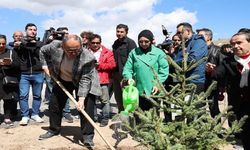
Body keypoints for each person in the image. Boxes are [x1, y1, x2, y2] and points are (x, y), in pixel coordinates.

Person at [39, 34, 101, 147]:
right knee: (55, 104)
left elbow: (85, 80)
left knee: (86, 108)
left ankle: (87, 136)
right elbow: (42, 51)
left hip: (82, 80)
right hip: (62, 79)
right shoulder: (54, 46)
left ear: (81, 46)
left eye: (76, 50)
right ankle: (54, 129)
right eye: (70, 50)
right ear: (63, 46)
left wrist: (81, 99)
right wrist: (44, 66)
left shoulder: (87, 57)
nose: (73, 53)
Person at [211, 31, 250, 149]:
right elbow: (217, 74)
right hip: (240, 103)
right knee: (246, 133)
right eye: (233, 44)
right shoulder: (228, 61)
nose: (235, 46)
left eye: (239, 43)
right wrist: (210, 70)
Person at [122, 29, 169, 111]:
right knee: (139, 115)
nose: (143, 44)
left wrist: (158, 84)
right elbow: (127, 68)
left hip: (153, 90)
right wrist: (129, 78)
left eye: (146, 41)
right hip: (138, 90)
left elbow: (164, 70)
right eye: (141, 41)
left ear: (151, 41)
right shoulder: (134, 53)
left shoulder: (159, 53)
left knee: (153, 117)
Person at [14, 23, 44, 125]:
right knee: (23, 96)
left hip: (38, 73)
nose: (33, 31)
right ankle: (25, 116)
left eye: (34, 30)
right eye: (30, 29)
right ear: (26, 31)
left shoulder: (40, 43)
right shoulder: (21, 43)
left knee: (37, 95)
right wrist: (18, 44)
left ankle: (35, 114)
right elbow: (11, 45)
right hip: (24, 74)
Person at [43, 27, 74, 123]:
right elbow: (42, 51)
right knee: (54, 94)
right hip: (52, 72)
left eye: (67, 33)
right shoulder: (51, 43)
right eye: (63, 33)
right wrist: (45, 66)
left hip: (65, 72)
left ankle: (66, 111)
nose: (65, 35)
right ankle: (56, 114)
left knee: (66, 92)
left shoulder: (70, 44)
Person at [88, 34, 116, 127]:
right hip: (89, 80)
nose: (95, 45)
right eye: (93, 43)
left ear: (100, 42)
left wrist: (99, 65)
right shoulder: (85, 52)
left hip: (102, 80)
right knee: (92, 101)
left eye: (97, 43)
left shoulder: (107, 52)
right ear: (89, 43)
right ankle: (94, 117)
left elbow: (112, 65)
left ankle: (105, 118)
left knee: (105, 101)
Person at [196, 28, 224, 117]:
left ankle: (217, 129)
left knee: (214, 109)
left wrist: (213, 70)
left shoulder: (218, 50)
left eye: (200, 36)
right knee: (199, 109)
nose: (197, 38)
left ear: (208, 37)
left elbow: (223, 68)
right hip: (199, 84)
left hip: (213, 85)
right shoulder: (197, 50)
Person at [174, 22, 208, 94]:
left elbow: (192, 59)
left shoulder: (198, 42)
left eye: (180, 32)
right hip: (183, 80)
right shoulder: (184, 44)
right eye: (177, 33)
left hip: (194, 81)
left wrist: (173, 63)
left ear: (188, 32)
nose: (178, 35)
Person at [112, 24, 137, 112]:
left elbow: (134, 60)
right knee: (118, 97)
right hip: (116, 75)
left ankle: (129, 117)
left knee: (128, 97)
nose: (119, 33)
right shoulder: (115, 43)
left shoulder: (131, 43)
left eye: (122, 32)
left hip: (126, 76)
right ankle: (121, 115)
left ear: (126, 32)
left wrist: (129, 76)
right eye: (118, 31)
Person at [0, 34, 20, 125]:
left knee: (8, 99)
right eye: (0, 43)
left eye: (3, 44)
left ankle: (7, 116)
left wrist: (9, 63)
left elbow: (18, 64)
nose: (1, 45)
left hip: (7, 79)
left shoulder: (11, 52)